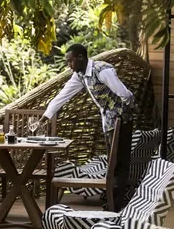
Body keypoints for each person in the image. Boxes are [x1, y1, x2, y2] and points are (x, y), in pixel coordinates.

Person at [33, 44, 135, 211]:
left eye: (70, 61)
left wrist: (125, 110)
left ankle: (115, 207)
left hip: (121, 122)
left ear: (80, 57)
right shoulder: (80, 75)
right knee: (113, 163)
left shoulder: (102, 70)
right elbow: (62, 96)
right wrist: (44, 119)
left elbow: (124, 93)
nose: (69, 65)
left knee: (119, 164)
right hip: (109, 123)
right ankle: (112, 203)